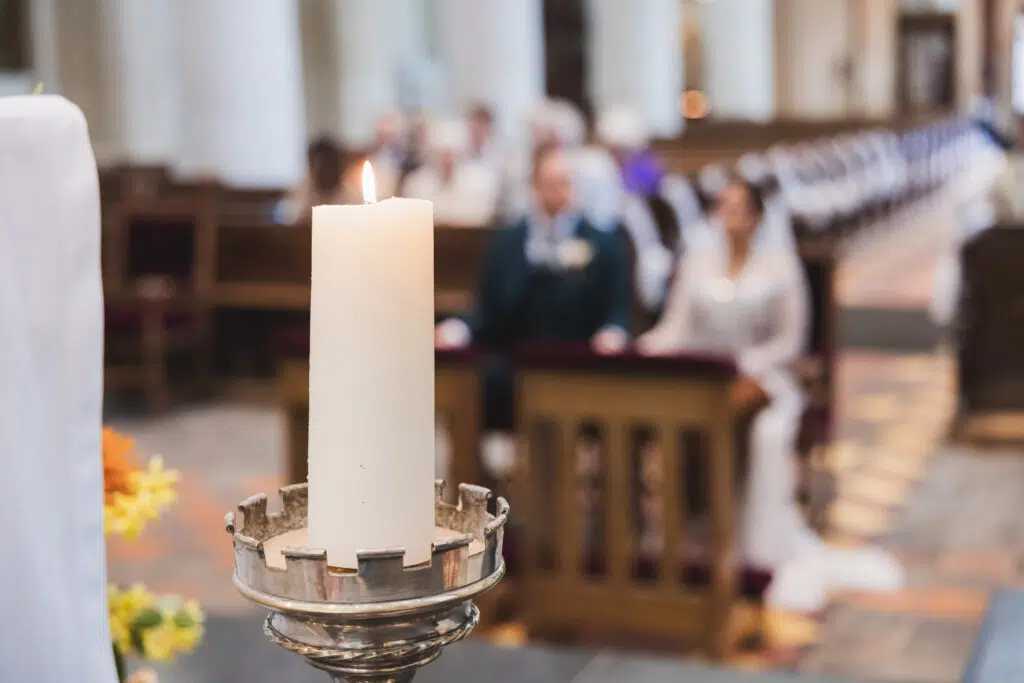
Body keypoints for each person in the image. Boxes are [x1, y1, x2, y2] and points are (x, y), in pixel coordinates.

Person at [638, 178, 904, 613]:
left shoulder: (781, 267)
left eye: (738, 207)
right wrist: (639, 348)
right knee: (676, 420)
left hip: (767, 379)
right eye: (722, 206)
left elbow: (791, 343)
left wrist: (745, 365)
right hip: (705, 380)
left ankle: (759, 545)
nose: (729, 215)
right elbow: (676, 328)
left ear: (757, 217)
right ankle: (692, 533)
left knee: (766, 432)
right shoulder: (699, 262)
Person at [436, 144, 630, 471]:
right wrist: (458, 328)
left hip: (576, 362)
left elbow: (617, 310)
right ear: (535, 185)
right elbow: (487, 308)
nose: (559, 191)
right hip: (514, 362)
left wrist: (612, 333)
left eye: (566, 182)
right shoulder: (507, 241)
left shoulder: (604, 244)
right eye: (551, 182)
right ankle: (479, 488)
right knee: (477, 383)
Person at [402, 119, 500, 226]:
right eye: (443, 154)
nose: (448, 161)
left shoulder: (480, 185)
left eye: (452, 154)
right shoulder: (416, 185)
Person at [283, 136, 345, 221]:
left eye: (329, 165)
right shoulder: (302, 189)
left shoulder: (349, 191)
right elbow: (291, 219)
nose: (326, 172)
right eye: (321, 166)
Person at [467, 103, 504, 170]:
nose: (477, 131)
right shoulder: (460, 154)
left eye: (481, 126)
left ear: (488, 128)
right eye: (474, 125)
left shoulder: (497, 156)